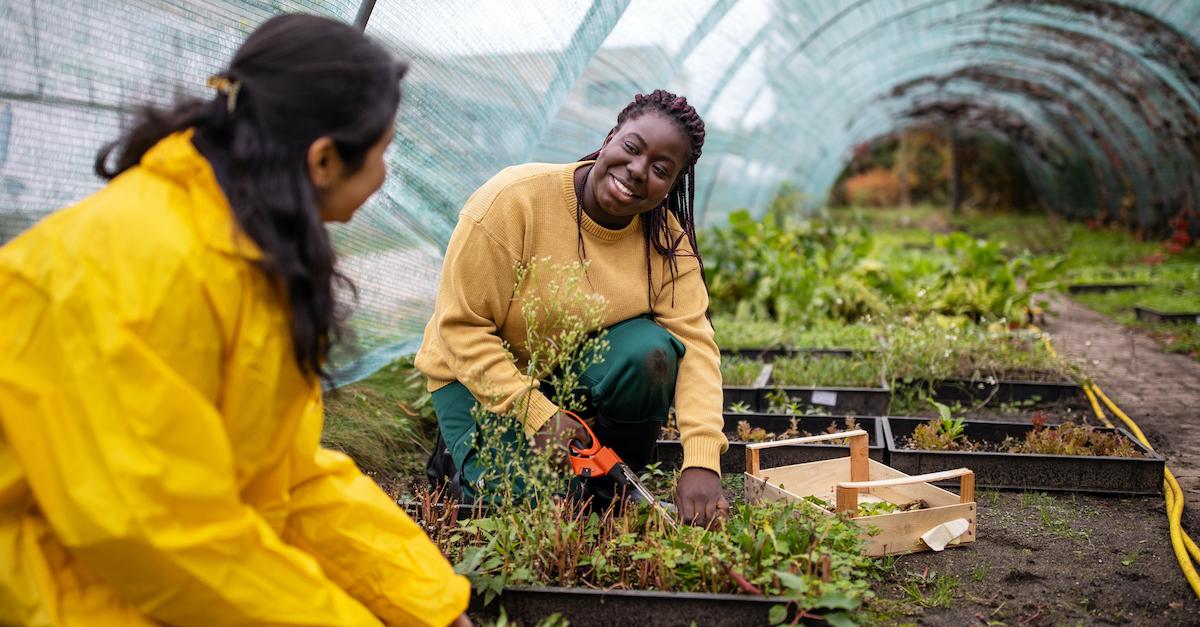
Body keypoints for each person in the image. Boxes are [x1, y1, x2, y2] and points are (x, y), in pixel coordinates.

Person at [0, 14, 470, 627]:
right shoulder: (134, 267)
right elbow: (159, 533)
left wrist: (429, 606)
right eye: (384, 152)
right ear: (323, 160)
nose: (385, 175)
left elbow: (288, 479)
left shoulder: (246, 253)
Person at [418, 90, 729, 526]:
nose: (637, 171)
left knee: (651, 351)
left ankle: (605, 484)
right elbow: (459, 328)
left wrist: (702, 459)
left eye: (661, 169)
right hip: (474, 377)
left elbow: (694, 346)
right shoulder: (514, 201)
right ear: (609, 138)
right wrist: (537, 414)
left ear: (673, 185)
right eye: (631, 148)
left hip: (566, 370)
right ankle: (458, 458)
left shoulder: (665, 243)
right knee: (537, 511)